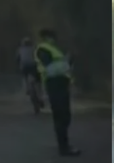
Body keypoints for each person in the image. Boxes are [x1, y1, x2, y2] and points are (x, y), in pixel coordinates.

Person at [35, 28, 79, 156]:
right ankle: (64, 148)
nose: (53, 40)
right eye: (51, 37)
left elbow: (62, 65)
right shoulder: (43, 49)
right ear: (46, 37)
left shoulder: (53, 49)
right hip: (54, 84)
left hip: (61, 83)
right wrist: (66, 64)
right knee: (61, 116)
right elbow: (52, 68)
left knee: (65, 116)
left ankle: (65, 145)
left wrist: (69, 60)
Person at [17, 37, 43, 106]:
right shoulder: (35, 48)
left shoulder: (20, 49)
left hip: (24, 67)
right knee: (38, 82)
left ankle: (27, 88)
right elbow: (40, 57)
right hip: (34, 66)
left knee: (25, 77)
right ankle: (40, 97)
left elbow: (17, 59)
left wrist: (19, 65)